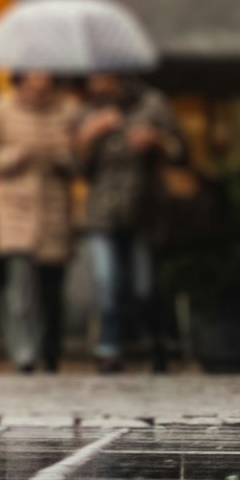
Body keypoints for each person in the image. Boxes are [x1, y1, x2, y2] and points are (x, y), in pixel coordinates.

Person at [0, 57, 93, 378]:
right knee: (20, 288)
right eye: (32, 72)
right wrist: (12, 156)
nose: (39, 79)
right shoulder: (1, 109)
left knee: (52, 290)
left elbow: (82, 162)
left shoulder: (69, 111)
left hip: (55, 207)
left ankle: (51, 352)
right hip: (15, 208)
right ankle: (23, 354)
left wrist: (65, 154)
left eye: (45, 72)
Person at [79, 72, 188, 371]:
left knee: (144, 286)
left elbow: (181, 151)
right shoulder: (88, 111)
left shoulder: (151, 104)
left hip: (145, 209)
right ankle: (109, 349)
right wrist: (88, 136)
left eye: (102, 74)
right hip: (102, 211)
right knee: (106, 282)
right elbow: (77, 168)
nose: (96, 81)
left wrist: (156, 140)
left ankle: (155, 346)